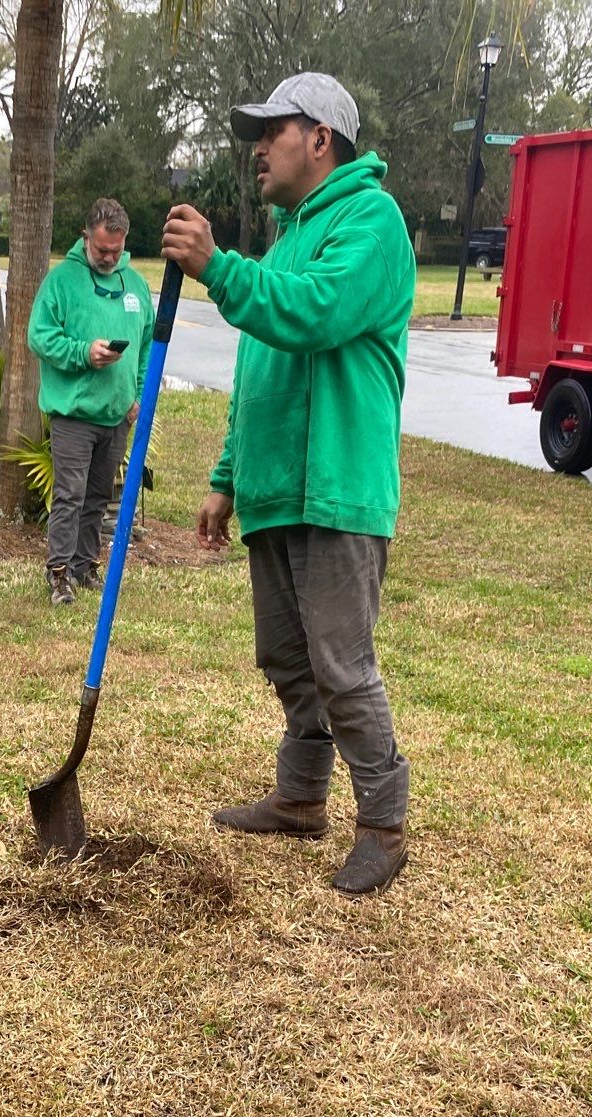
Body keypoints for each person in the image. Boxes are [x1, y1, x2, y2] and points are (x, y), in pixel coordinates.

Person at [162, 75, 416, 895]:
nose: (258, 146)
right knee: (285, 658)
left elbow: (313, 312)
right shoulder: (287, 239)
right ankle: (302, 797)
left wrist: (220, 270)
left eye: (272, 130)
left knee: (342, 664)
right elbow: (258, 369)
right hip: (275, 490)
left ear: (321, 138)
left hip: (338, 485)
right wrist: (226, 478)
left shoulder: (371, 224)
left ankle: (382, 823)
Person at [28, 197, 154, 606]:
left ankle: (85, 566)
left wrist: (137, 395)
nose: (109, 257)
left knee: (100, 495)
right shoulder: (62, 282)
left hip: (117, 414)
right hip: (74, 414)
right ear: (86, 238)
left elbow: (147, 345)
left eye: (116, 251)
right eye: (101, 250)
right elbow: (40, 336)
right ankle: (59, 572)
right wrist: (84, 353)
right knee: (70, 494)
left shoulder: (134, 285)